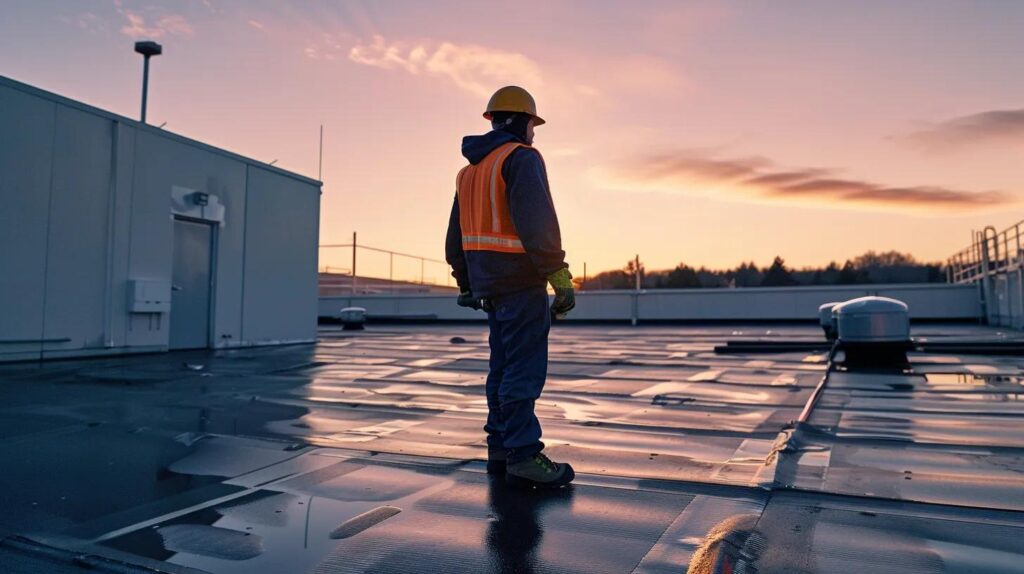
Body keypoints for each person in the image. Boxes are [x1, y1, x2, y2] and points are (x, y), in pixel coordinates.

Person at [445, 86, 576, 488]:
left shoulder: (468, 173)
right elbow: (537, 221)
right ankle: (523, 452)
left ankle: (500, 449)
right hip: (521, 283)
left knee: (500, 368)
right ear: (522, 122)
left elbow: (456, 235)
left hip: (491, 287)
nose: (534, 133)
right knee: (523, 367)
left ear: (492, 120)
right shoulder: (521, 158)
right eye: (533, 124)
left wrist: (465, 281)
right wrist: (558, 274)